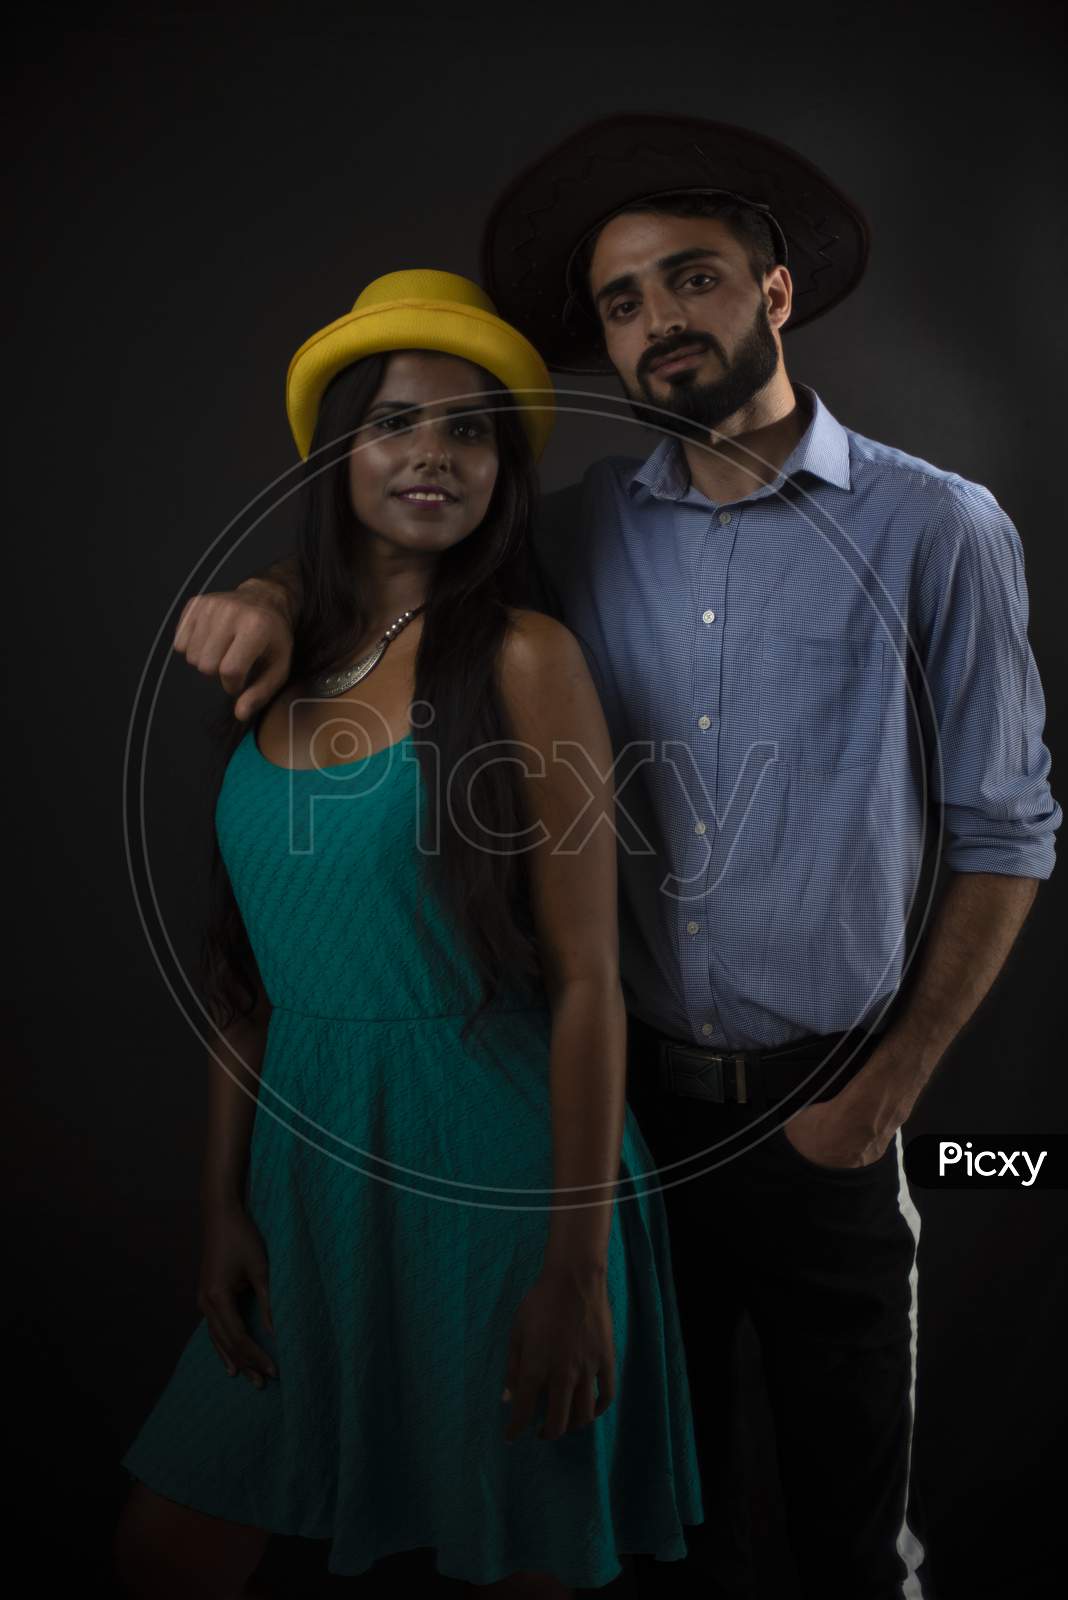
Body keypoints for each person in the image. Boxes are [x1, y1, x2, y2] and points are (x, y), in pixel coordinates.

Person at [167, 115, 1061, 1600]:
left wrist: (885, 1100)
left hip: (823, 1105)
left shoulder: (936, 528)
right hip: (621, 1112)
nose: (657, 324)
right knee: (647, 1538)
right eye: (624, 303)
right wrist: (264, 583)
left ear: (774, 294)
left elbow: (1007, 831)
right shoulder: (578, 536)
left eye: (690, 280)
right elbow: (395, 554)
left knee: (847, 1540)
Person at [113, 268, 706, 1600]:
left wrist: (574, 1264)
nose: (434, 455)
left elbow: (590, 980)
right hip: (305, 1179)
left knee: (516, 1561)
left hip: (497, 1177)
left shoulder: (522, 657)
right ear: (338, 451)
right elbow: (245, 984)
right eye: (396, 422)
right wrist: (219, 1205)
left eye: (470, 430)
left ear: (502, 467)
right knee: (168, 1549)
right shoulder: (276, 651)